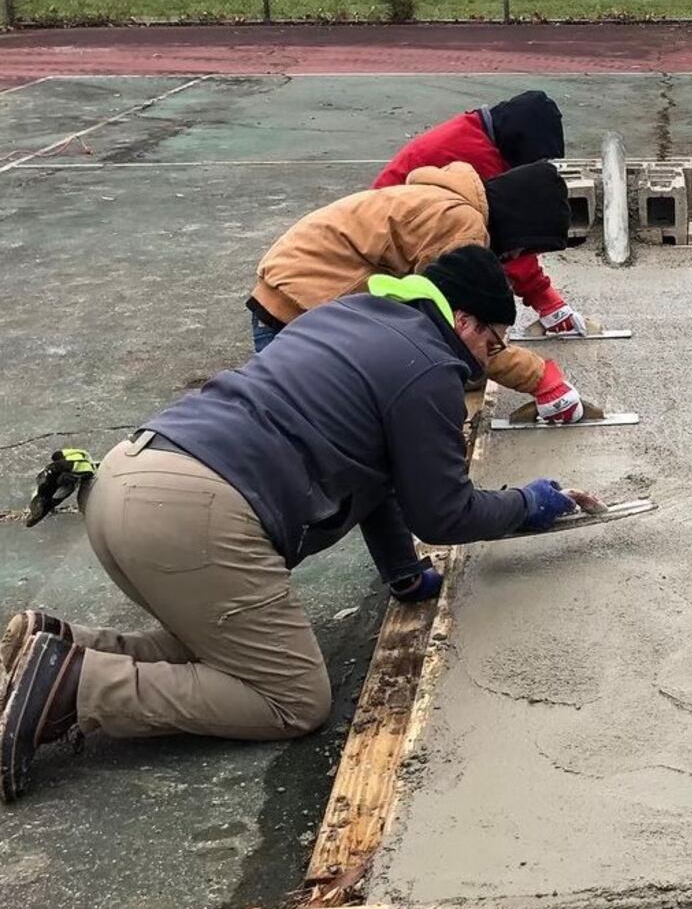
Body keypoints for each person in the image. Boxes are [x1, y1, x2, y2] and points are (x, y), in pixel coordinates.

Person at [0, 246, 598, 802]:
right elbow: (443, 512)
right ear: (464, 321)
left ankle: (53, 647)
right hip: (195, 513)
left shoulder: (351, 316)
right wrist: (528, 503)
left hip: (125, 480)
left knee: (215, 647)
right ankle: (78, 688)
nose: (489, 362)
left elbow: (380, 478)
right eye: (492, 346)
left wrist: (403, 574)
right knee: (291, 699)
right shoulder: (429, 370)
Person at [248, 158, 591, 425]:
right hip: (301, 305)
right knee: (318, 431)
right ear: (519, 228)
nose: (513, 259)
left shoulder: (449, 201)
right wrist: (540, 377)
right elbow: (456, 327)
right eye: (520, 251)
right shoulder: (460, 226)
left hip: (292, 291)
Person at [374, 90, 591, 338]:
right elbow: (509, 240)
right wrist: (546, 300)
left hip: (395, 230)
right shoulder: (477, 158)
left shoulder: (479, 133)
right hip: (388, 248)